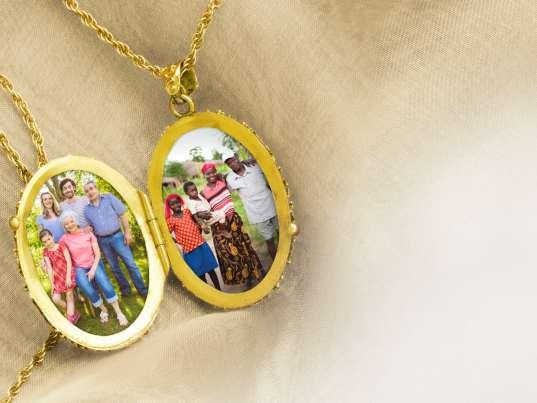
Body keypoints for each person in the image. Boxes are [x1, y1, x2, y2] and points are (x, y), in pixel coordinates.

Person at [200, 163, 264, 286]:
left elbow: (236, 169)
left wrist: (246, 161)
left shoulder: (223, 181)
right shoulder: (203, 193)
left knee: (244, 246)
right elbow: (205, 212)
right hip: (219, 225)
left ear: (216, 172)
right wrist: (218, 228)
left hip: (233, 219)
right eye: (208, 173)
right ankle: (244, 278)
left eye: (213, 172)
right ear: (204, 175)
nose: (211, 175)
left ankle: (256, 272)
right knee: (229, 253)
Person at [60, 212, 128, 326]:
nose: (70, 225)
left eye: (71, 221)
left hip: (93, 263)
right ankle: (103, 310)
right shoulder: (64, 239)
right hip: (79, 267)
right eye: (66, 224)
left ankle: (119, 312)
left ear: (76, 221)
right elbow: (55, 250)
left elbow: (97, 254)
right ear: (64, 226)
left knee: (104, 283)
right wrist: (45, 260)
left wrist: (92, 270)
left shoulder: (87, 233)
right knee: (85, 286)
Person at [83, 181, 148, 297]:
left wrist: (127, 232)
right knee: (114, 267)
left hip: (117, 237)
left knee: (130, 263)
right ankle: (125, 289)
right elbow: (91, 226)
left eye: (91, 188)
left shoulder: (108, 198)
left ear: (97, 189)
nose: (90, 192)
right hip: (102, 241)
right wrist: (89, 229)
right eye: (87, 191)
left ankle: (142, 289)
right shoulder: (86, 210)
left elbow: (122, 214)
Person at [223, 151, 278, 260]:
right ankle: (278, 263)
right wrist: (223, 176)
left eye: (233, 160)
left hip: (273, 207)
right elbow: (225, 187)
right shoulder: (230, 178)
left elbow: (268, 161)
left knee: (282, 233)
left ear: (237, 157)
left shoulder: (254, 166)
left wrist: (254, 160)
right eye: (229, 163)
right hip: (257, 214)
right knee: (269, 240)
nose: (232, 164)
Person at [164, 193, 222, 290]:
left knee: (211, 270)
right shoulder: (170, 220)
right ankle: (209, 293)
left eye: (177, 203)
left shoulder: (187, 212)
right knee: (201, 275)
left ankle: (219, 290)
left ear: (180, 202)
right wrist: (176, 241)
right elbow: (167, 234)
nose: (176, 205)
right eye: (172, 204)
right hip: (189, 250)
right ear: (169, 207)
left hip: (201, 244)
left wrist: (201, 228)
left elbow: (196, 220)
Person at [40, 229, 80, 324]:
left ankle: (70, 318)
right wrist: (52, 284)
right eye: (44, 242)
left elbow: (69, 261)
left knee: (69, 295)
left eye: (49, 239)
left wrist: (68, 277)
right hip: (57, 277)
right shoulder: (46, 252)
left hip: (68, 273)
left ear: (52, 237)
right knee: (55, 299)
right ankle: (73, 312)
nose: (48, 243)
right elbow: (49, 269)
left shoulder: (61, 246)